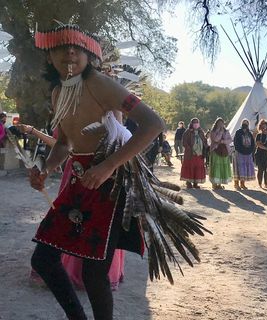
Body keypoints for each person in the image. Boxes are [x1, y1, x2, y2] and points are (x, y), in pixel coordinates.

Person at [29, 24, 164, 320]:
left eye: (77, 47)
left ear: (90, 56)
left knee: (94, 272)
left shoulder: (101, 84)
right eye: (61, 47)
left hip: (111, 183)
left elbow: (153, 124)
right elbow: (65, 142)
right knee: (44, 258)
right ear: (49, 56)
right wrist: (44, 167)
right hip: (80, 181)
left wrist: (107, 166)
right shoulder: (57, 93)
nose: (70, 52)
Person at [18, 124, 125, 291]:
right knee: (72, 220)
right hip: (74, 167)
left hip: (86, 169)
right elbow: (61, 145)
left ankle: (81, 273)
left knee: (86, 221)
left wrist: (33, 131)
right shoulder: (65, 109)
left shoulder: (101, 110)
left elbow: (61, 145)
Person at [180, 118, 207, 188]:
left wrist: (205, 147)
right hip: (190, 154)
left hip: (199, 154)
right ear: (191, 124)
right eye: (194, 123)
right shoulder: (188, 132)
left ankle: (196, 183)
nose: (196, 124)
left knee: (197, 167)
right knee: (190, 167)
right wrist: (189, 148)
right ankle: (188, 182)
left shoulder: (201, 132)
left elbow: (204, 140)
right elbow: (184, 142)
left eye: (197, 122)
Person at [208, 117, 232, 190]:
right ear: (216, 124)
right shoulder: (213, 131)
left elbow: (230, 140)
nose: (221, 124)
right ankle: (214, 184)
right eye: (219, 123)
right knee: (216, 167)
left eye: (222, 123)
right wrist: (220, 132)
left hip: (224, 151)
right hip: (215, 151)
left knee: (222, 168)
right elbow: (215, 139)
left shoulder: (226, 131)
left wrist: (223, 141)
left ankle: (220, 184)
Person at [232, 118, 255, 190]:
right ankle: (236, 184)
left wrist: (250, 150)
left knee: (244, 169)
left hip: (247, 154)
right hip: (239, 153)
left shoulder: (249, 133)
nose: (245, 124)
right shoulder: (238, 132)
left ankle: (242, 184)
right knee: (238, 168)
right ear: (242, 124)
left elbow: (252, 143)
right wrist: (242, 150)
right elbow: (236, 143)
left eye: (247, 123)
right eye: (244, 123)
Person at [254, 119, 267, 189]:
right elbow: (259, 145)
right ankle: (260, 183)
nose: (263, 127)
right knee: (260, 169)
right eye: (262, 126)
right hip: (259, 154)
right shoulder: (259, 135)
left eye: (264, 126)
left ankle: (266, 184)